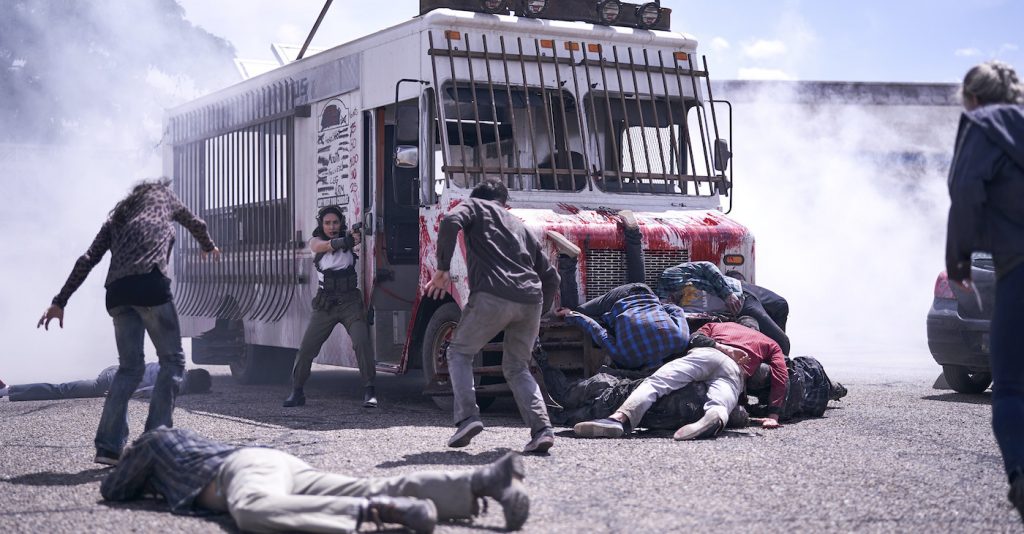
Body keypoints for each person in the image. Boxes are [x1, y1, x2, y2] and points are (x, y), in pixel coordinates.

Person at [37, 178, 219, 466]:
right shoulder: (163, 197)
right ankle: (155, 442)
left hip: (117, 294)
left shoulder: (117, 218)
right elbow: (197, 223)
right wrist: (208, 246)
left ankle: (108, 448)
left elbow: (87, 259)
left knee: (129, 369)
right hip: (151, 285)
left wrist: (60, 301)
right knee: (172, 361)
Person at [100, 427, 531, 533]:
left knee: (250, 510)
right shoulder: (183, 444)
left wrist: (130, 459)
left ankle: (380, 514)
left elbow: (113, 490)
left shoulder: (153, 442)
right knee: (369, 483)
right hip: (275, 462)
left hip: (240, 472)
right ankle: (484, 480)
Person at [424, 179, 560, 453]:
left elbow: (450, 221)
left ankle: (467, 418)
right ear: (504, 202)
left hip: (492, 294)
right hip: (531, 299)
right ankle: (542, 430)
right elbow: (551, 276)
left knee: (459, 353)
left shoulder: (475, 206)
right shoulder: (518, 224)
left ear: (477, 197)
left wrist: (442, 269)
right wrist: (540, 313)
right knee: (517, 367)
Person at [945, 60, 1024, 521]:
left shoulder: (981, 123)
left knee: (1011, 385)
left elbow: (966, 188)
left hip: (1019, 269)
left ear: (972, 98)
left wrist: (958, 260)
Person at [574, 320, 787, 440]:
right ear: (755, 329)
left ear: (738, 322)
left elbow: (693, 339)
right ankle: (714, 416)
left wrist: (722, 347)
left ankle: (619, 419)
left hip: (704, 354)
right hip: (734, 370)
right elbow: (780, 374)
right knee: (722, 400)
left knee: (656, 382)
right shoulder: (768, 341)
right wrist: (773, 415)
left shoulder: (718, 325)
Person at [283, 206, 376, 409]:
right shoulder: (316, 241)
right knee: (307, 348)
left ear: (340, 223)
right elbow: (320, 247)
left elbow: (356, 239)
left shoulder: (351, 239)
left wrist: (354, 237)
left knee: (361, 341)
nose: (331, 227)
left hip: (350, 301)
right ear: (321, 224)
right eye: (327, 223)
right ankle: (297, 391)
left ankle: (370, 391)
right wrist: (345, 241)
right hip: (326, 303)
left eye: (335, 223)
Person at [658, 261, 791, 355]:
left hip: (737, 289)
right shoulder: (675, 314)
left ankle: (776, 356)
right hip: (741, 307)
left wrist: (727, 294)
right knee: (782, 343)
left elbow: (707, 267)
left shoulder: (670, 277)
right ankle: (778, 361)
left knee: (780, 305)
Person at [555, 282, 690, 370]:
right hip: (617, 298)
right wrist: (570, 314)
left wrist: (657, 306)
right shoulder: (626, 357)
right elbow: (598, 332)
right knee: (580, 310)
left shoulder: (680, 341)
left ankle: (634, 238)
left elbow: (677, 310)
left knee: (637, 283)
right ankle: (568, 258)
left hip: (646, 291)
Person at [1, 365, 211, 402]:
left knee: (63, 389)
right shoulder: (179, 383)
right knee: (64, 391)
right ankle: (8, 391)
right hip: (115, 379)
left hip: (115, 371)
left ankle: (9, 390)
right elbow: (149, 392)